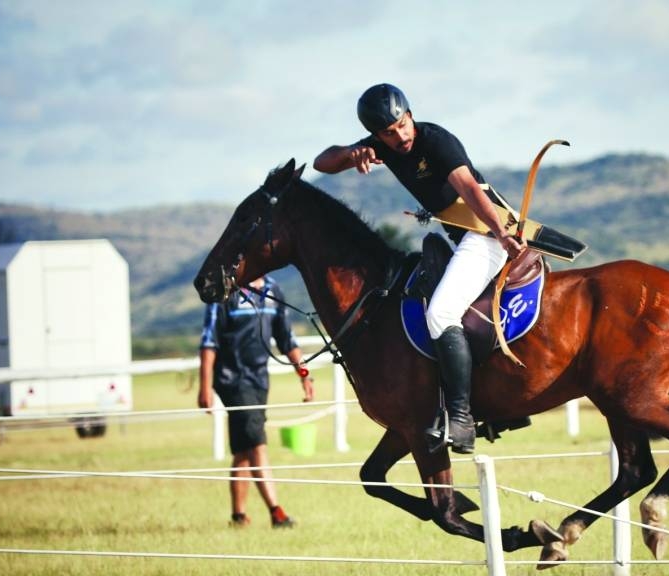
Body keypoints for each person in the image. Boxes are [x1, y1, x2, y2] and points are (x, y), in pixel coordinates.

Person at [314, 83, 526, 455]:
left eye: (402, 125)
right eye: (388, 133)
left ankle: (461, 419)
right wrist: (351, 153)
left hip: (486, 232)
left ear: (410, 115)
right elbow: (322, 163)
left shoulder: (437, 141)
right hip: (467, 238)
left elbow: (470, 189)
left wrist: (501, 233)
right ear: (376, 135)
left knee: (441, 313)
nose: (400, 136)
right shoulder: (379, 147)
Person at [197, 273, 315, 527]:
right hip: (232, 380)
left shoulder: (273, 289)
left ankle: (238, 517)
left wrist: (305, 376)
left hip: (259, 381)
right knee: (257, 444)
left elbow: (287, 339)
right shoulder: (225, 291)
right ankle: (277, 512)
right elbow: (208, 341)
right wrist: (204, 387)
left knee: (244, 448)